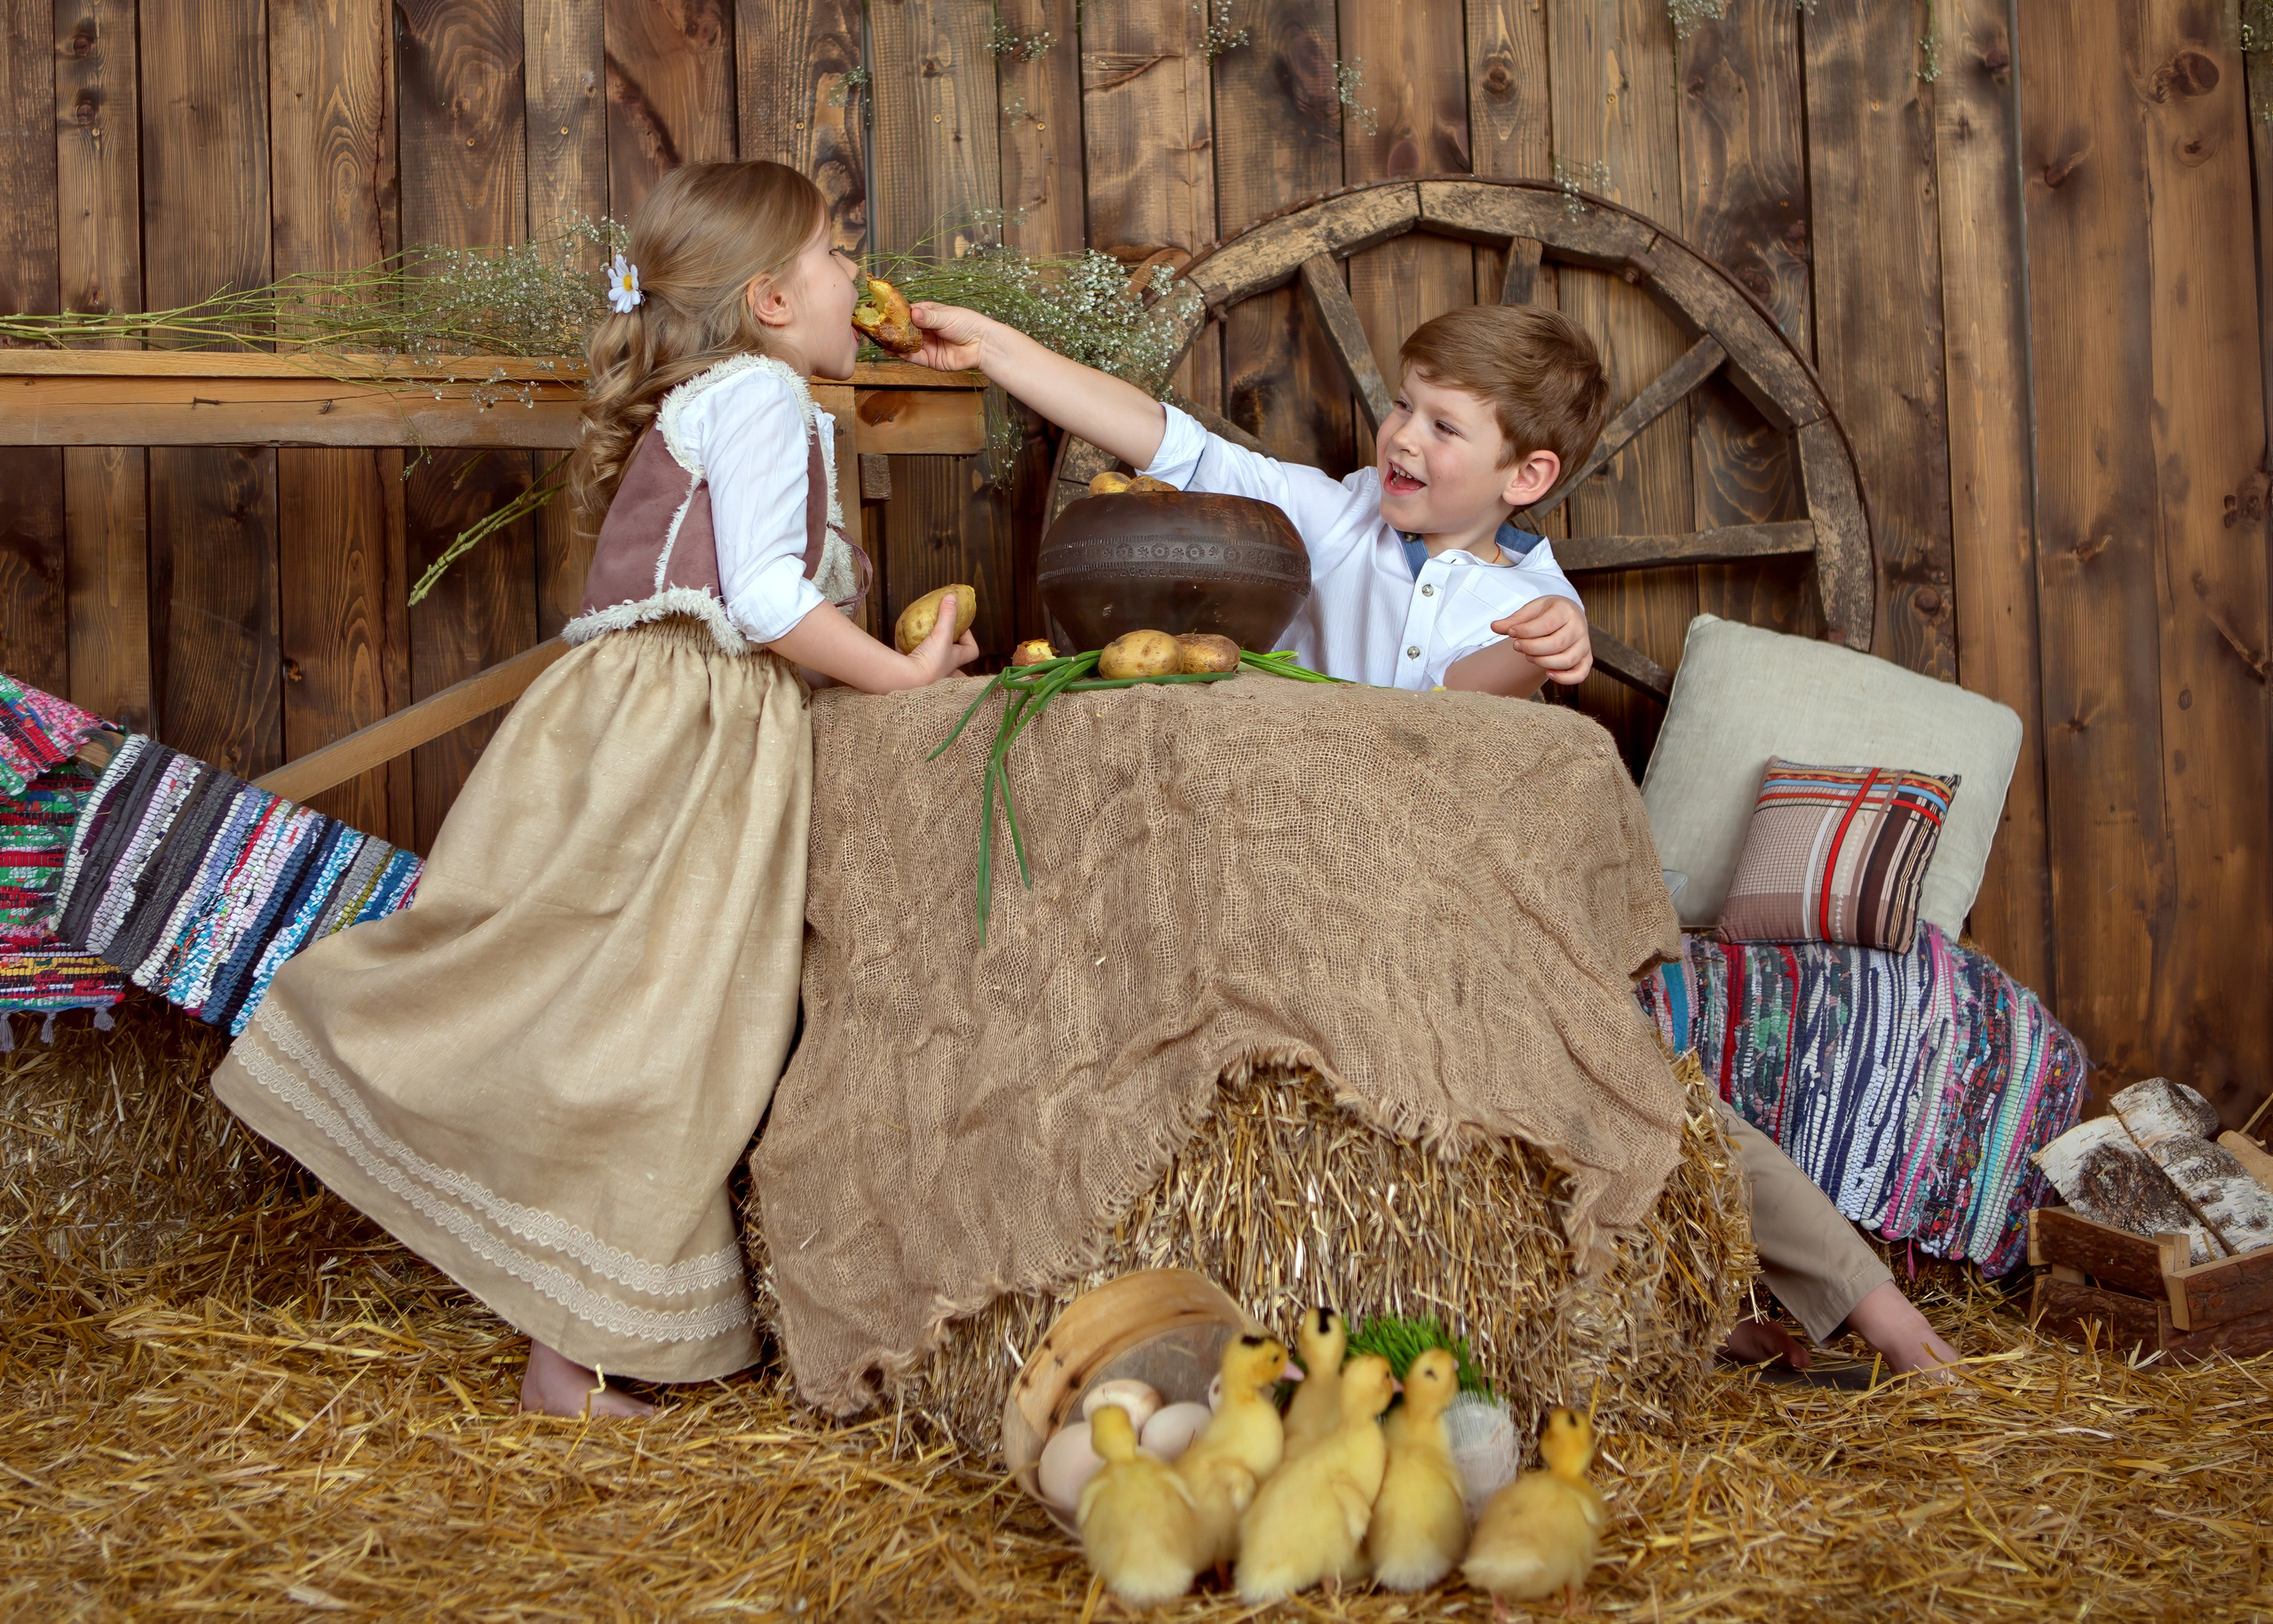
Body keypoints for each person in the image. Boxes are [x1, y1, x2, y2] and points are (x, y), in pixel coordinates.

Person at [902, 294, 1957, 1377]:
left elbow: (1460, 699)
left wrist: (1542, 655)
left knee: (1630, 1077)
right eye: (1402, 406)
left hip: (1445, 912)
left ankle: (1855, 1294)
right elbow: (1167, 438)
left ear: (1526, 475)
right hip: (1292, 884)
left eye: (1444, 425)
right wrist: (995, 348)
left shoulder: (1530, 598)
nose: (1402, 436)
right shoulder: (1332, 516)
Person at [210, 161, 978, 1418]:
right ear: (773, 299)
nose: (859, 275)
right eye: (838, 252)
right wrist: (902, 677)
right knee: (668, 1037)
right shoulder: (767, 398)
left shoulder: (730, 392)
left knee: (612, 1016)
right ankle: (562, 1345)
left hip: (638, 728)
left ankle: (565, 1351)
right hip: (688, 751)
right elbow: (771, 602)